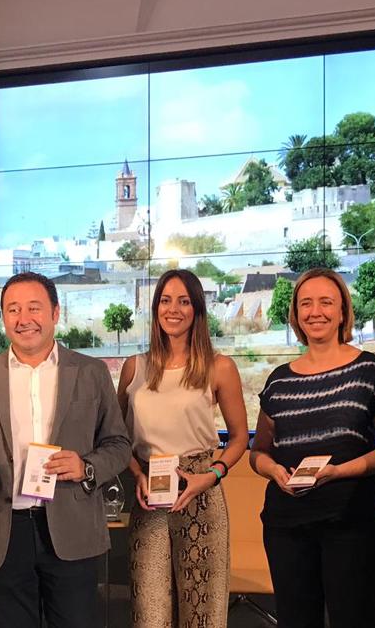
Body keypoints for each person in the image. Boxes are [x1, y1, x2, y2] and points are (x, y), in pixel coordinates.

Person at [0, 271, 131, 628]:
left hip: (72, 528)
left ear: (55, 313)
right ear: (3, 318)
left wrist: (86, 467)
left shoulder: (91, 372)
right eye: (13, 309)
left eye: (34, 308)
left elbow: (119, 444)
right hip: (3, 529)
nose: (23, 318)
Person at [249, 267, 375, 628]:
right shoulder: (278, 380)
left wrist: (338, 472)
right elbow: (258, 453)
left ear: (343, 311)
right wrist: (273, 471)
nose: (316, 312)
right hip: (286, 525)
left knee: (355, 619)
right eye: (306, 303)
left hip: (353, 522)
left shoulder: (369, 370)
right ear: (295, 313)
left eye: (326, 302)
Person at [117, 269, 249, 627]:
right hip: (150, 495)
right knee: (151, 614)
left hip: (201, 494)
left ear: (197, 309)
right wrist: (136, 474)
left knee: (201, 614)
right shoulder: (134, 368)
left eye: (184, 301)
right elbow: (116, 438)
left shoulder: (219, 367)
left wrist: (213, 474)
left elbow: (239, 437)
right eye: (165, 300)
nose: (173, 309)